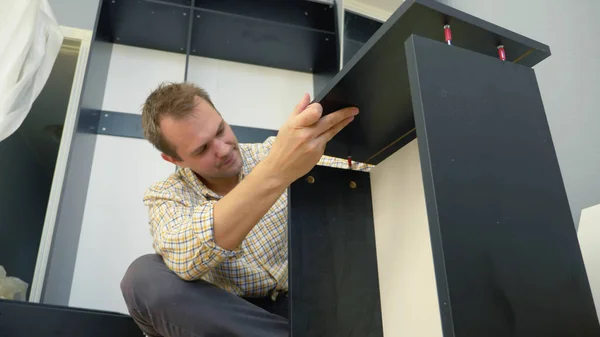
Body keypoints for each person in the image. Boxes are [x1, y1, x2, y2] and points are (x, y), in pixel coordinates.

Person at [119, 82, 371, 337]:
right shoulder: (166, 196)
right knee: (141, 278)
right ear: (175, 160)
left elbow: (367, 175)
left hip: (324, 299)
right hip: (245, 322)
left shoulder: (275, 151)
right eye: (202, 148)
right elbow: (184, 260)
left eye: (220, 130)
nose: (223, 149)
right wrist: (276, 171)